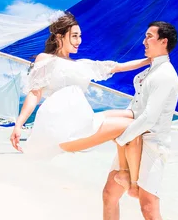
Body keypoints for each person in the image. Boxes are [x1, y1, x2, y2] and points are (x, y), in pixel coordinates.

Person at [99, 21, 178, 220]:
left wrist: (120, 137)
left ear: (163, 41)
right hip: (134, 139)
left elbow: (149, 117)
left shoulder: (166, 74)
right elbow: (137, 108)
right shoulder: (151, 70)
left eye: (149, 37)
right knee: (109, 193)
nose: (144, 41)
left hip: (152, 144)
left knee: (149, 208)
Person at [9, 12, 149, 160]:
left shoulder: (83, 65)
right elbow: (34, 94)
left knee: (131, 115)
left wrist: (150, 60)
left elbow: (119, 67)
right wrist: (18, 125)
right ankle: (126, 174)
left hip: (80, 119)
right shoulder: (46, 59)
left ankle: (124, 172)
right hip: (61, 123)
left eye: (80, 36)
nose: (79, 40)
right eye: (74, 36)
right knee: (132, 124)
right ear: (59, 37)